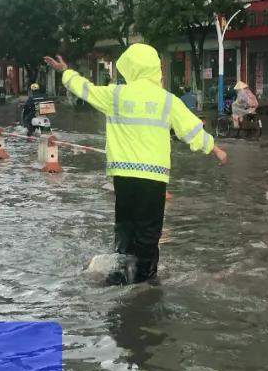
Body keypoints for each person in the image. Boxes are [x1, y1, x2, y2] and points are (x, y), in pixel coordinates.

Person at [45, 45, 227, 285]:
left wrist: (66, 71)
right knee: (149, 231)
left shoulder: (116, 95)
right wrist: (213, 147)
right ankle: (145, 280)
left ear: (130, 68)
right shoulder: (166, 100)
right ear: (152, 69)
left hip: (123, 175)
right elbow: (190, 128)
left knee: (125, 225)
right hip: (154, 177)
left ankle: (121, 273)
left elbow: (85, 90)